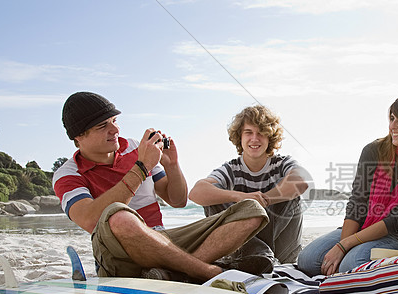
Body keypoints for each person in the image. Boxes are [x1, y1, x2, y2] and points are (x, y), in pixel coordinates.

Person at [53, 91, 268, 281]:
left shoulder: (136, 148)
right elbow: (91, 220)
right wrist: (142, 166)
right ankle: (205, 271)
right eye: (103, 126)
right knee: (118, 216)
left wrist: (172, 165)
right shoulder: (68, 173)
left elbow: (177, 200)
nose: (115, 129)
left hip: (162, 240)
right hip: (118, 251)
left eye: (114, 121)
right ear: (79, 136)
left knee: (251, 210)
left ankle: (175, 273)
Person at [297, 96, 398, 276]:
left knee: (351, 263)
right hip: (365, 224)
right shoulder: (374, 150)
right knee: (308, 259)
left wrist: (346, 247)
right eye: (391, 119)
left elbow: (397, 219)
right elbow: (357, 202)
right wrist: (342, 247)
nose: (392, 126)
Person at [189, 105, 309, 273]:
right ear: (240, 136)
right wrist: (241, 198)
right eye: (248, 132)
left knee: (291, 191)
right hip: (245, 248)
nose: (255, 139)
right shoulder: (231, 169)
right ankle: (257, 254)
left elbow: (301, 181)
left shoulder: (282, 163)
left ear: (270, 137)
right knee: (212, 194)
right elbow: (196, 193)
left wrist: (263, 200)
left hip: (281, 252)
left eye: (261, 133)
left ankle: (260, 256)